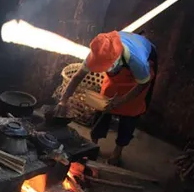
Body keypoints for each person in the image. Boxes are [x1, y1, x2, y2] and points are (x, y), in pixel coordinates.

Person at [55, 31, 158, 165]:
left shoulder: (137, 60)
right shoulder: (98, 51)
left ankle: (118, 150)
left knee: (131, 110)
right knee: (104, 103)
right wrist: (63, 100)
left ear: (115, 61)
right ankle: (93, 143)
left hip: (140, 73)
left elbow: (143, 83)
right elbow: (78, 76)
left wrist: (122, 100)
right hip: (118, 71)